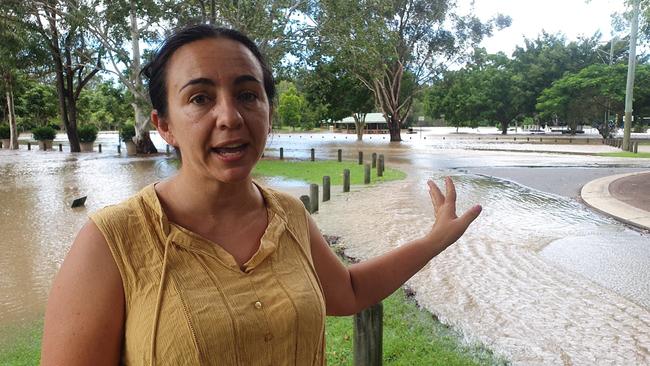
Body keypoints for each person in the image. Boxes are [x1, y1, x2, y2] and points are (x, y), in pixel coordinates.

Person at [41, 24, 482, 365]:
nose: (229, 116)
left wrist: (433, 241)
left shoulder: (289, 215)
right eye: (199, 99)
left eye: (248, 94)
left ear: (268, 112)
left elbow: (347, 292)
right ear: (164, 126)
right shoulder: (111, 242)